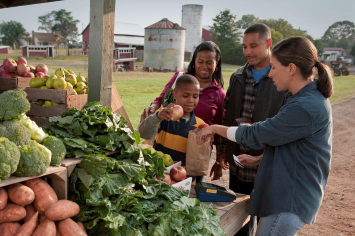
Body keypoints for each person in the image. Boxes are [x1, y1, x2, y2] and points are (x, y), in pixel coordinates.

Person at [197, 36, 333, 235]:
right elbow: (288, 141)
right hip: (285, 195)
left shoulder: (306, 106)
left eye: (274, 67)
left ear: (291, 69)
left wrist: (215, 128)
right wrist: (260, 158)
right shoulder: (302, 98)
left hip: (288, 201)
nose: (270, 74)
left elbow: (257, 134)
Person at [211, 23, 286, 236]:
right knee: (238, 216)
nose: (247, 52)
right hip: (238, 161)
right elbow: (227, 115)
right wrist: (223, 151)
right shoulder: (237, 77)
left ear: (268, 43)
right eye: (244, 46)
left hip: (268, 163)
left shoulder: (281, 77)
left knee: (266, 219)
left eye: (253, 46)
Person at [140, 41, 226, 182]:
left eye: (209, 62)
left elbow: (219, 128)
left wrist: (219, 160)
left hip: (197, 150)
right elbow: (161, 98)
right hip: (169, 138)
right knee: (163, 178)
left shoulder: (219, 93)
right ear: (194, 61)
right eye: (200, 61)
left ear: (216, 64)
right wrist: (154, 109)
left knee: (190, 188)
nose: (204, 66)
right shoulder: (180, 79)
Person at [138, 75, 205, 177]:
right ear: (175, 94)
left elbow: (200, 159)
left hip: (185, 180)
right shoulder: (163, 115)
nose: (191, 100)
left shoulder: (200, 125)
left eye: (195, 96)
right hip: (159, 176)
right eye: (185, 96)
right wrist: (157, 117)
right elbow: (143, 133)